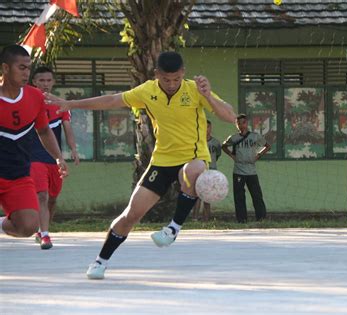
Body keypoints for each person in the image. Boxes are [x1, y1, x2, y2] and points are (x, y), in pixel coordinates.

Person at [44, 51, 236, 280]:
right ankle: (100, 261)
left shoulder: (195, 89)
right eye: (166, 79)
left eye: (176, 79)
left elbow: (230, 116)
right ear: (157, 75)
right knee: (131, 215)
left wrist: (209, 97)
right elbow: (112, 100)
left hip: (193, 157)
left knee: (192, 170)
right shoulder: (147, 91)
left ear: (183, 73)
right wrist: (72, 103)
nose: (172, 84)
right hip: (162, 161)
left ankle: (173, 228)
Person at [0, 45, 68, 238]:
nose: (26, 73)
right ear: (6, 68)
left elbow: (44, 131)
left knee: (29, 226)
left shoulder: (35, 96)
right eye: (21, 68)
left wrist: (58, 158)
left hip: (18, 175)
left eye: (28, 68)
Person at [30, 66, 80, 249]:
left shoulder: (60, 105)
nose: (45, 84)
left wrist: (73, 149)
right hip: (33, 158)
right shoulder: (27, 102)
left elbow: (67, 129)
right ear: (34, 82)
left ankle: (43, 229)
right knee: (41, 196)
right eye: (41, 80)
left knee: (52, 198)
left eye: (48, 80)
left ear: (53, 82)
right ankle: (45, 235)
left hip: (55, 158)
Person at [222, 114, 271, 223]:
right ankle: (241, 219)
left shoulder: (255, 136)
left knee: (257, 195)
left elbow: (267, 146)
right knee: (239, 197)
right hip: (238, 171)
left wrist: (258, 155)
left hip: (251, 171)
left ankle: (261, 218)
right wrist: (231, 155)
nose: (241, 125)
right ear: (236, 125)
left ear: (247, 123)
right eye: (238, 123)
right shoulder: (234, 138)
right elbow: (224, 146)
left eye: (243, 122)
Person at [192, 119, 221, 221]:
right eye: (204, 127)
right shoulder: (198, 142)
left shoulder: (216, 143)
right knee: (198, 195)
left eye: (208, 127)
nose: (206, 129)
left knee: (208, 196)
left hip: (211, 171)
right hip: (200, 171)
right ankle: (194, 218)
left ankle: (206, 218)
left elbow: (217, 155)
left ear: (210, 128)